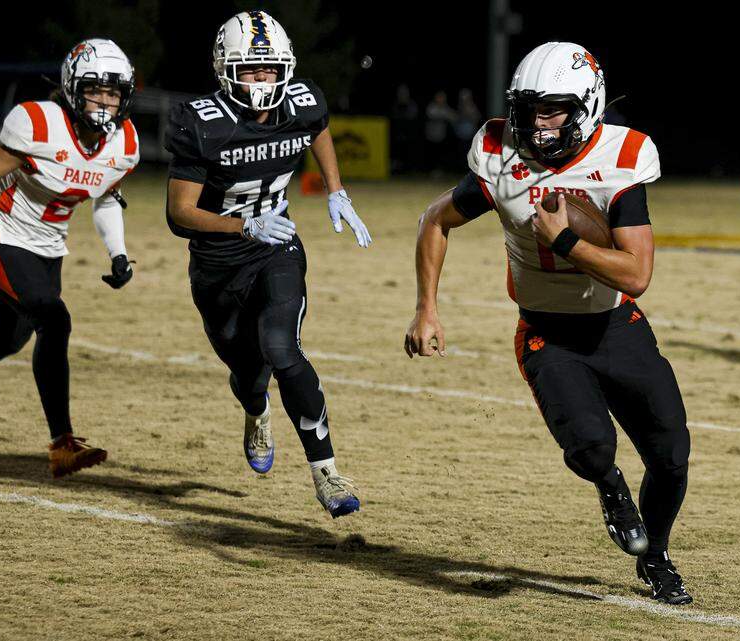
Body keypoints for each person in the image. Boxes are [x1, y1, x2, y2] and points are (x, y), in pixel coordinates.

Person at [404, 42, 692, 604]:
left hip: (615, 323)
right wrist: (426, 308)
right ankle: (610, 489)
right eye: (529, 107)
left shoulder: (621, 158)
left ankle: (655, 553)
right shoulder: (499, 155)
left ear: (588, 104)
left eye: (553, 108)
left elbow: (636, 275)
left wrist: (562, 239)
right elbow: (435, 220)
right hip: (546, 332)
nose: (538, 122)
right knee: (591, 446)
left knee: (672, 455)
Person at [164, 10, 368, 518]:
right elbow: (179, 213)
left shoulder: (301, 101)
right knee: (248, 373)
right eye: (252, 70)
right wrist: (241, 226)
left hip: (276, 247)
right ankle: (256, 409)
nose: (263, 80)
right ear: (225, 69)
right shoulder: (203, 123)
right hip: (216, 262)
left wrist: (335, 188)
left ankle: (327, 472)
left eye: (272, 69)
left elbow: (315, 127)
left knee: (282, 347)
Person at [0, 39, 140, 478]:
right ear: (71, 87)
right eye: (95, 90)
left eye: (113, 92)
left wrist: (118, 252)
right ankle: (63, 442)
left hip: (50, 249)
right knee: (55, 320)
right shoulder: (38, 124)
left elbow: (105, 198)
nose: (104, 102)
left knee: (9, 339)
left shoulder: (124, 143)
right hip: (2, 238)